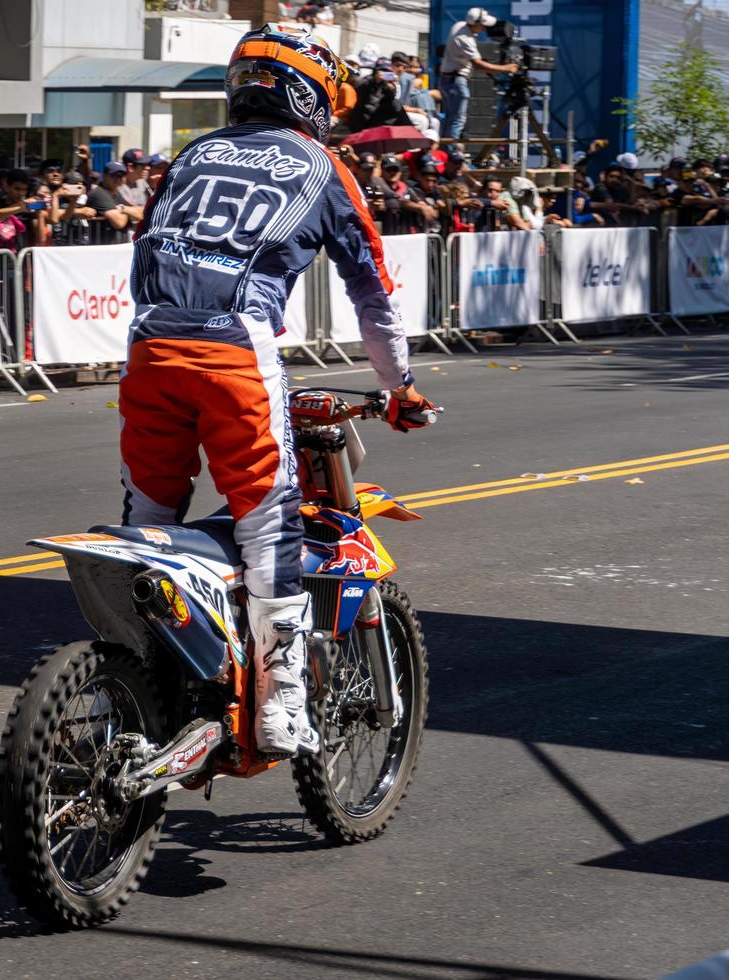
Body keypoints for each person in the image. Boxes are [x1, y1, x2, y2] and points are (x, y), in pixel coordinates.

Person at [118, 23, 432, 759]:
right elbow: (374, 294)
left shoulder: (192, 155)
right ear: (313, 95)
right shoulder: (324, 168)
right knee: (270, 522)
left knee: (149, 521)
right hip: (234, 347)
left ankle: (140, 677)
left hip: (149, 343)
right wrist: (402, 386)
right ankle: (282, 702)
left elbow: (148, 247)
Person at [439, 8, 519, 141]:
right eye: (483, 25)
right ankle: (451, 151)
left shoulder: (459, 26)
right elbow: (478, 65)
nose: (484, 28)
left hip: (449, 79)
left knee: (451, 117)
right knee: (458, 119)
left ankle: (446, 150)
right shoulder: (465, 39)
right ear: (475, 24)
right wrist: (506, 68)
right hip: (455, 81)